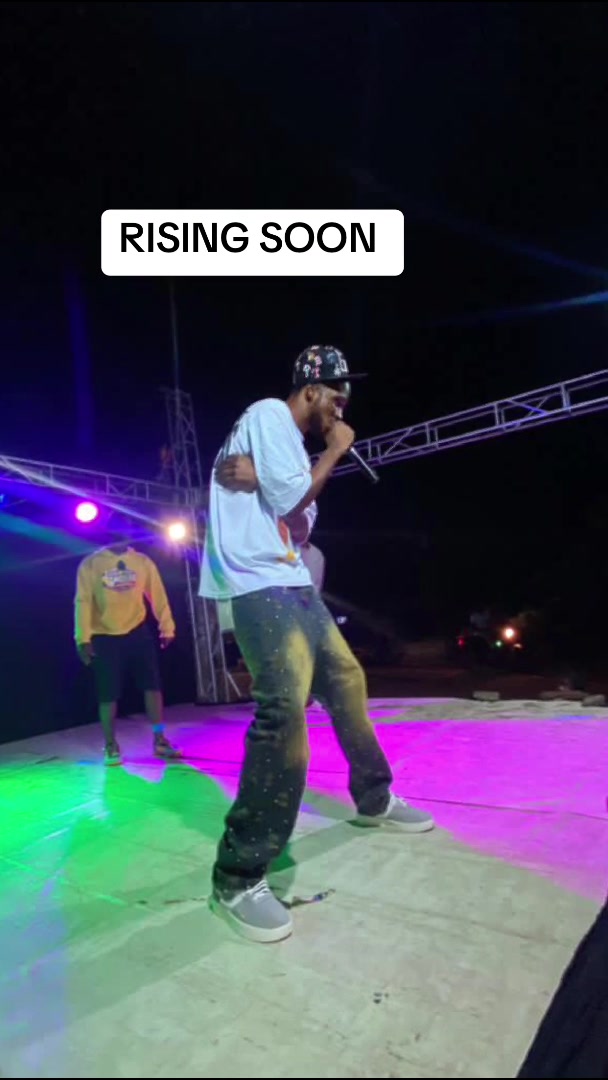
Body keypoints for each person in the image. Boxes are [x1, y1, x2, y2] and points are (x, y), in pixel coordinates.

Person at [200, 344, 434, 944]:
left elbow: (300, 521)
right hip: (259, 583)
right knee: (283, 711)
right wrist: (332, 453)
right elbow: (291, 502)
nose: (341, 406)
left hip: (293, 581)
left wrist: (278, 479)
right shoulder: (269, 415)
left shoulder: (287, 447)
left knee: (346, 679)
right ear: (310, 389)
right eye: (336, 394)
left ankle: (374, 797)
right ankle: (237, 876)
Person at [74, 513, 181, 765]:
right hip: (104, 636)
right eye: (117, 530)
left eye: (126, 531)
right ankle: (111, 744)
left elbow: (157, 595)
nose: (122, 535)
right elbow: (83, 602)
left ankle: (159, 739)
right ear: (108, 532)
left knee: (152, 686)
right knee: (108, 694)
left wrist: (167, 627)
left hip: (137, 631)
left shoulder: (142, 562)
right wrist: (82, 638)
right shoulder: (92, 564)